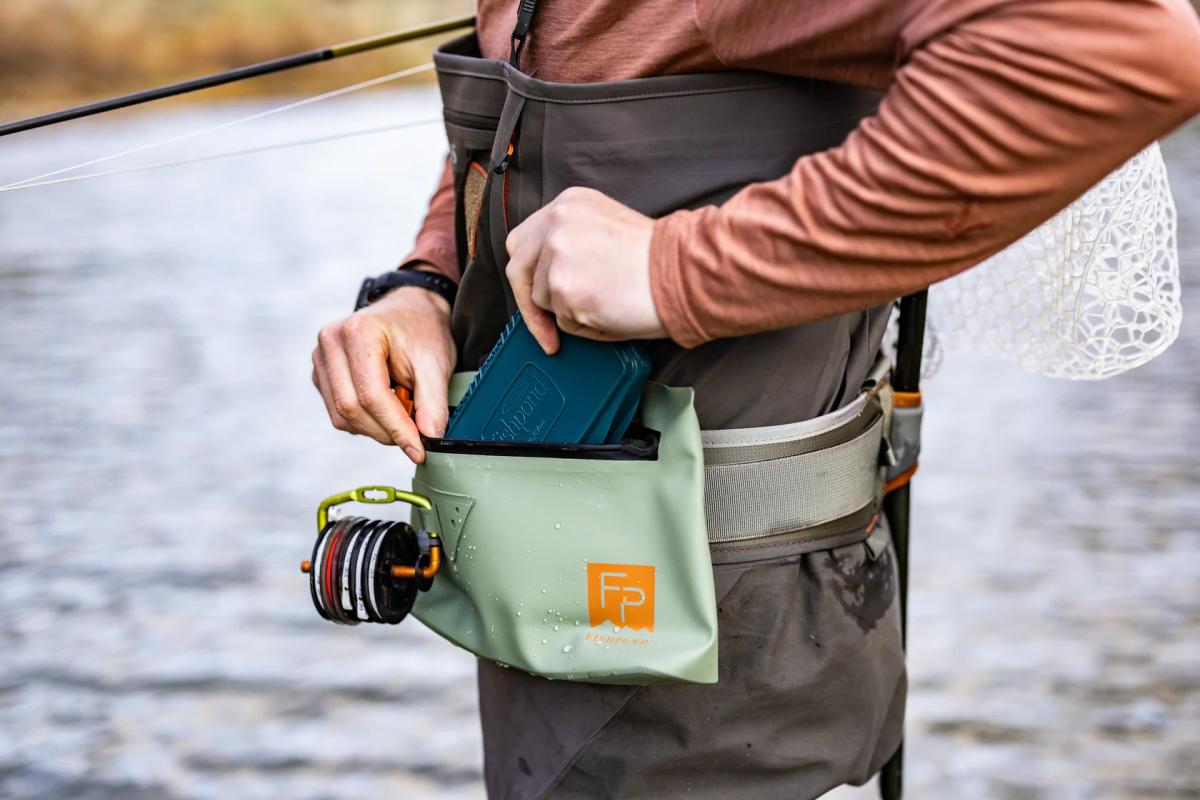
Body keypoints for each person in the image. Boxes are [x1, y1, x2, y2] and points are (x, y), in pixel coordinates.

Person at [312, 2, 1200, 797]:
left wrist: (673, 273)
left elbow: (1116, 46)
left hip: (722, 699)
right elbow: (508, 116)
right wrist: (422, 282)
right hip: (546, 655)